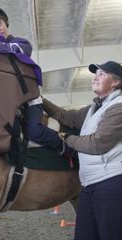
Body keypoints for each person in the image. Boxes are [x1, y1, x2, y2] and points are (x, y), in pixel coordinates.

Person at [42, 60, 122, 240]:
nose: (95, 77)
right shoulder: (94, 108)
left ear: (116, 82)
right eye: (95, 74)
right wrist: (41, 100)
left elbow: (97, 144)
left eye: (101, 74)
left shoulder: (118, 106)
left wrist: (65, 138)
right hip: (89, 183)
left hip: (112, 183)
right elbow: (65, 116)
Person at [0, 4, 64, 153]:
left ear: (6, 23)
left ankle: (67, 148)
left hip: (30, 101)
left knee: (33, 131)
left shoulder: (21, 43)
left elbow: (15, 50)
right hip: (8, 102)